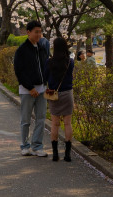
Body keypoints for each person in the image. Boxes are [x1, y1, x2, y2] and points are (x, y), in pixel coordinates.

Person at [13, 20, 49, 157]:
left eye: (40, 32)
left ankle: (37, 146)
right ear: (28, 32)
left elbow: (45, 67)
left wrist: (46, 83)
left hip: (42, 89)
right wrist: (29, 87)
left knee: (41, 118)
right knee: (26, 119)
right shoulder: (21, 50)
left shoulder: (42, 48)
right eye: (36, 32)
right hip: (27, 90)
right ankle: (25, 145)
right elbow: (19, 71)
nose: (39, 35)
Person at [45, 37, 76, 162]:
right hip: (67, 93)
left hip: (53, 94)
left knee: (55, 124)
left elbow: (46, 76)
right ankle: (67, 155)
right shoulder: (70, 62)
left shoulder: (49, 62)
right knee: (68, 123)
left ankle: (55, 154)